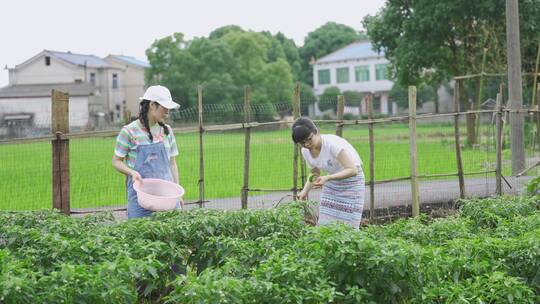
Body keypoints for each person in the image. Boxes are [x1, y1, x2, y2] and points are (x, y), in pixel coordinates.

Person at [112, 85, 183, 218]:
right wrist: (132, 172)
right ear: (152, 105)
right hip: (141, 201)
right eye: (164, 107)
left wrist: (177, 194)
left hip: (167, 198)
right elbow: (116, 161)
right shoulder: (129, 131)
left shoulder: (167, 131)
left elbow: (172, 164)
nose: (167, 112)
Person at [292, 117, 365, 229]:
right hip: (333, 182)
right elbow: (314, 172)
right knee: (326, 224)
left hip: (352, 182)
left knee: (348, 225)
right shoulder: (305, 151)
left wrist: (328, 178)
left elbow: (352, 170)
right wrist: (305, 191)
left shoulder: (332, 144)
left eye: (309, 139)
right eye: (302, 143)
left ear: (316, 132)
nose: (307, 144)